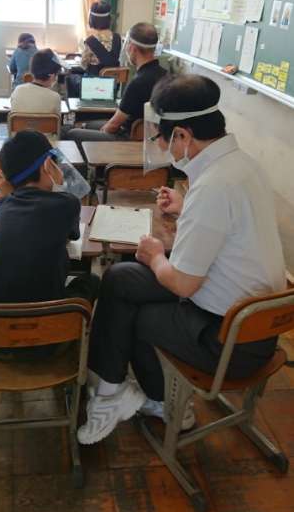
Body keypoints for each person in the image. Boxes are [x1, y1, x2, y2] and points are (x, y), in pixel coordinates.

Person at [77, 73, 286, 445]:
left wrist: (156, 256)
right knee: (120, 278)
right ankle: (111, 390)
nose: (161, 145)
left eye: (162, 137)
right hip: (251, 318)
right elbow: (228, 225)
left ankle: (164, 403)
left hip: (230, 341)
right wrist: (186, 207)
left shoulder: (213, 186)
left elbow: (183, 284)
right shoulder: (242, 167)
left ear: (184, 135)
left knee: (137, 313)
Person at [0, 131, 99, 357]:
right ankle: (88, 355)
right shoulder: (67, 204)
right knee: (91, 280)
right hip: (49, 341)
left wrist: (10, 192)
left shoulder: (3, 205)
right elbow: (73, 233)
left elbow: (22, 205)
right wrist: (60, 184)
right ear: (48, 165)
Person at [66, 22, 166, 148]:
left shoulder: (138, 82)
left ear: (132, 48)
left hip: (128, 138)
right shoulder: (166, 76)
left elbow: (113, 125)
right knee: (90, 125)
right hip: (150, 137)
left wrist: (103, 133)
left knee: (72, 133)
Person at [10, 48, 62, 117]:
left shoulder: (17, 90)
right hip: (44, 124)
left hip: (20, 124)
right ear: (52, 75)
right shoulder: (55, 97)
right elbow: (57, 121)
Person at [81, 1, 122, 76]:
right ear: (109, 19)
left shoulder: (90, 41)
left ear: (92, 19)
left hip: (94, 82)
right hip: (114, 80)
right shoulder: (118, 38)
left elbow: (83, 64)